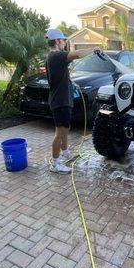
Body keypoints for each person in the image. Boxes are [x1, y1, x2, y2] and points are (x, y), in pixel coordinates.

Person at [45, 28, 98, 174]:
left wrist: (70, 83)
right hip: (60, 101)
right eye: (63, 40)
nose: (64, 43)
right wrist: (94, 48)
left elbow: (59, 76)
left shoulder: (53, 58)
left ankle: (65, 151)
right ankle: (55, 164)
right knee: (60, 132)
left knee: (65, 129)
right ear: (57, 41)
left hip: (62, 99)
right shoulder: (56, 56)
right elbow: (79, 54)